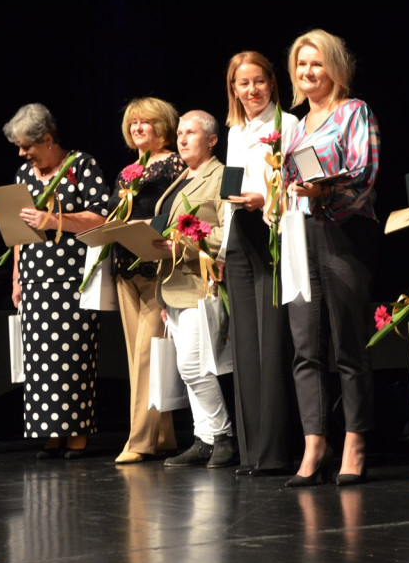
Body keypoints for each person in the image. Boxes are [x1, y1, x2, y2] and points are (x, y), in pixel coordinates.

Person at [281, 29, 380, 487]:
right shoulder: (297, 125)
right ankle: (314, 442)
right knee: (305, 348)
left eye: (316, 64)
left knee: (347, 344)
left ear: (335, 67)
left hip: (343, 232)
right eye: (301, 65)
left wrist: (323, 189)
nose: (308, 73)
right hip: (302, 234)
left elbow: (363, 175)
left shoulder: (353, 112)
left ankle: (355, 441)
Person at [4, 103, 110, 459]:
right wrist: (17, 276)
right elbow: (19, 231)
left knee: (73, 354)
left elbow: (100, 218)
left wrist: (53, 220)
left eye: (27, 146)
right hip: (34, 277)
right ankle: (51, 432)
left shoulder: (82, 165)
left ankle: (77, 432)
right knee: (38, 359)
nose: (22, 153)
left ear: (47, 140)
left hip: (71, 276)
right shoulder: (24, 175)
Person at [221, 51, 300, 476]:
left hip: (272, 231)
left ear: (271, 82)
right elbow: (229, 191)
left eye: (258, 82)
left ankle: (275, 453)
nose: (251, 91)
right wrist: (218, 251)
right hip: (239, 236)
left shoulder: (288, 125)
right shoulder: (236, 130)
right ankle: (250, 452)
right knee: (245, 346)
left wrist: (264, 200)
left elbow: (296, 184)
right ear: (233, 89)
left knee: (272, 343)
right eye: (242, 84)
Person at [154, 110, 235, 468]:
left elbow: (227, 234)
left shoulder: (226, 174)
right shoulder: (179, 180)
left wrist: (181, 244)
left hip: (202, 284)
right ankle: (203, 438)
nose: (182, 139)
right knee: (190, 369)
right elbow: (162, 228)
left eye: (191, 132)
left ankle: (224, 436)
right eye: (180, 133)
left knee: (194, 366)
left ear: (212, 140)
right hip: (172, 286)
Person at [112, 98, 185, 465]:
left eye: (147, 122)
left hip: (157, 268)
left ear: (164, 127)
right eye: (134, 123)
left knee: (147, 357)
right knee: (137, 358)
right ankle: (163, 434)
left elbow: (179, 211)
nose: (139, 128)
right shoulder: (128, 170)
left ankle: (140, 441)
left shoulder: (175, 163)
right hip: (125, 269)